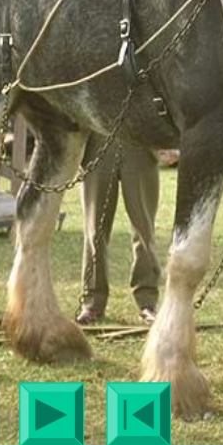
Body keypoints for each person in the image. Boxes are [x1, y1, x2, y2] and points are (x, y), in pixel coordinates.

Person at [76, 134, 162, 326]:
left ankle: (147, 303)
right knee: (94, 232)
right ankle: (92, 303)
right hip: (97, 144)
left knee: (144, 231)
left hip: (140, 143)